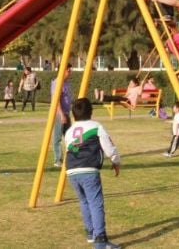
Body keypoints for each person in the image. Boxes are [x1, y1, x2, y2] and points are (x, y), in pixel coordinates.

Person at [64, 98, 121, 249]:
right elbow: (109, 148)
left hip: (71, 170)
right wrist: (116, 161)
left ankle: (91, 233)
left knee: (84, 201)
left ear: (73, 114)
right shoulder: (96, 126)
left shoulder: (69, 131)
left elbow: (70, 149)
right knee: (96, 203)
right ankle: (100, 240)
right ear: (91, 112)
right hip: (88, 169)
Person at [51, 64, 73, 168]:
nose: (70, 72)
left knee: (70, 136)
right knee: (57, 138)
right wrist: (61, 114)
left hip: (67, 112)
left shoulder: (66, 83)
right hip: (59, 114)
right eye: (68, 70)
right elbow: (56, 101)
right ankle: (58, 160)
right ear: (63, 71)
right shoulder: (57, 83)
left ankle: (71, 158)